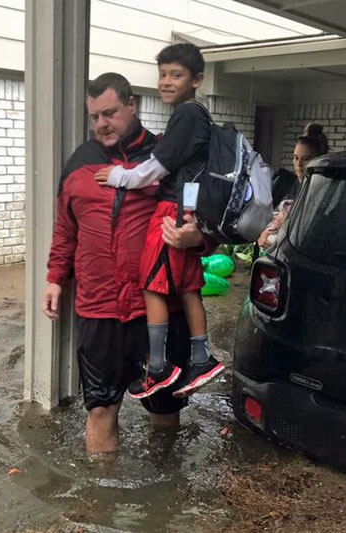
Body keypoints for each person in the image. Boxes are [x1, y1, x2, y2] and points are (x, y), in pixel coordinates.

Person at [43, 72, 211, 454]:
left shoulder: (167, 155)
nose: (101, 124)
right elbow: (66, 229)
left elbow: (206, 214)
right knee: (101, 407)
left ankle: (163, 493)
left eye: (110, 113)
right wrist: (55, 277)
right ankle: (100, 500)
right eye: (95, 116)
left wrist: (199, 238)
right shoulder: (79, 164)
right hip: (99, 308)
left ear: (132, 105)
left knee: (166, 406)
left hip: (158, 308)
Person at [94, 43, 223, 400]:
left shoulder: (187, 115)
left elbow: (157, 168)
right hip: (189, 209)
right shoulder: (199, 115)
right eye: (162, 74)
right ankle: (200, 357)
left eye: (176, 75)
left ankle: (160, 368)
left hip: (170, 210)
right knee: (187, 288)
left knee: (152, 287)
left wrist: (120, 175)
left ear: (196, 80)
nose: (166, 82)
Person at [259, 123, 329, 250]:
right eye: (296, 158)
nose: (299, 164)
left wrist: (287, 223)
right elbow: (269, 219)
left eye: (306, 159)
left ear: (319, 159)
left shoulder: (328, 191)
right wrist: (265, 233)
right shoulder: (287, 185)